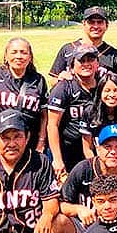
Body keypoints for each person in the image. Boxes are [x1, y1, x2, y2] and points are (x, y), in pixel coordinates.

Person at [0, 37, 49, 152]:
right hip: (0, 144)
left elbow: (44, 116)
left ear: (30, 57)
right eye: (14, 52)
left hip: (29, 143)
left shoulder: (38, 80)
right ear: (6, 55)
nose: (19, 56)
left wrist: (41, 141)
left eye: (24, 52)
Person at [47, 45, 99, 178]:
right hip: (68, 149)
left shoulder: (104, 86)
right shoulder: (64, 88)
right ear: (72, 66)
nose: (86, 64)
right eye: (82, 60)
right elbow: (52, 125)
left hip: (95, 149)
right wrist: (57, 159)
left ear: (97, 63)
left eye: (91, 59)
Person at [80, 72, 117, 166]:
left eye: (116, 91)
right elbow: (87, 147)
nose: (111, 95)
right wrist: (95, 169)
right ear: (100, 92)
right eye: (107, 90)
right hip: (97, 161)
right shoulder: (90, 112)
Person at [49, 6, 117, 79]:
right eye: (91, 22)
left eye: (100, 22)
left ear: (107, 25)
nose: (95, 26)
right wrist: (60, 78)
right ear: (84, 24)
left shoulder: (114, 55)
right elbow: (53, 79)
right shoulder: (68, 49)